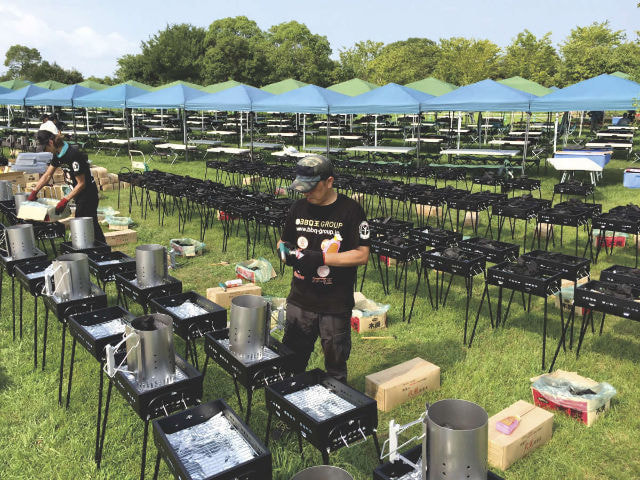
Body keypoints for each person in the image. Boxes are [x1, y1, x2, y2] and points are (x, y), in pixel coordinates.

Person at [278, 155, 370, 383]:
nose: (306, 194)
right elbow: (283, 241)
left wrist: (321, 258)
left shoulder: (351, 211)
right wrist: (284, 252)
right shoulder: (298, 208)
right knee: (291, 361)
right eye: (302, 188)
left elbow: (362, 254)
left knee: (335, 365)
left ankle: (336, 400)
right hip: (300, 300)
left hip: (334, 304)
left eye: (311, 188)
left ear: (329, 182)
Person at [28, 121, 106, 243]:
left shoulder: (72, 154)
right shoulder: (58, 154)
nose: (47, 151)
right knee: (91, 225)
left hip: (87, 195)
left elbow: (82, 183)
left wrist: (65, 200)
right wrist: (34, 191)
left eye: (45, 148)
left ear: (51, 142)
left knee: (84, 226)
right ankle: (101, 247)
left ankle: (96, 248)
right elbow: (47, 175)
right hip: (79, 195)